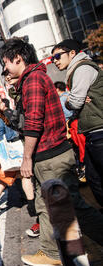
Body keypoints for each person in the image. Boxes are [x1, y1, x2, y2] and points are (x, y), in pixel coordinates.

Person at [0, 37, 103, 266]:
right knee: (47, 205)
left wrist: (26, 158)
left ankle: (53, 253)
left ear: (18, 58)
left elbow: (33, 121)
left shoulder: (34, 80)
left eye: (6, 61)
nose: (5, 67)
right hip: (48, 154)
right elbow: (26, 118)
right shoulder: (30, 80)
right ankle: (50, 252)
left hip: (51, 154)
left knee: (74, 207)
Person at [51, 39, 103, 207]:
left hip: (98, 129)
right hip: (92, 130)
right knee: (94, 179)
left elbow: (74, 102)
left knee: (96, 178)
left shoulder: (82, 68)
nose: (55, 61)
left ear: (72, 53)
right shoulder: (76, 70)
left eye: (58, 56)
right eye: (53, 59)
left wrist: (70, 101)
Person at [0, 96, 37, 223]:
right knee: (25, 176)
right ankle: (32, 206)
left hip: (3, 157)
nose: (3, 103)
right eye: (1, 102)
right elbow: (1, 141)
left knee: (3, 182)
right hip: (9, 156)